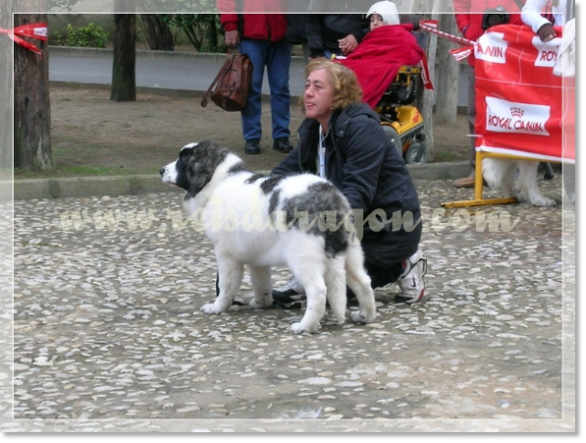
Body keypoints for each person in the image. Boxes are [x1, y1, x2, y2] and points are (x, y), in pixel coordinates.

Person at [271, 59, 427, 307]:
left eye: (318, 87)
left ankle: (402, 264)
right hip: (355, 224)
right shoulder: (314, 129)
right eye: (308, 85)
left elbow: (357, 195)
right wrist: (251, 195)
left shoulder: (361, 129)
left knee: (338, 296)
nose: (308, 92)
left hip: (388, 229)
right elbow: (281, 175)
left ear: (338, 96)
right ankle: (313, 274)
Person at [452, 0, 526, 188]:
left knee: (511, 112)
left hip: (510, 54)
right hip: (478, 54)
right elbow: (460, 5)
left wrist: (516, 30)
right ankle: (478, 169)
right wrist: (468, 29)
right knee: (475, 113)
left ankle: (514, 171)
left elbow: (531, 7)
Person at [218, 0, 294, 155]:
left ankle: (281, 136)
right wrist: (230, 26)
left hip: (281, 33)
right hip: (250, 35)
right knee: (250, 88)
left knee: (281, 88)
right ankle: (252, 137)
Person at [334, 1, 425, 108]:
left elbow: (407, 52)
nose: (375, 23)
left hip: (380, 64)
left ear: (390, 19)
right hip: (367, 62)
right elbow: (365, 52)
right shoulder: (370, 37)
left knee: (358, 69)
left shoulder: (400, 34)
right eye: (372, 20)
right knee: (333, 66)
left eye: (380, 19)